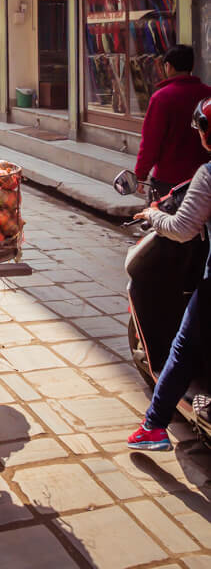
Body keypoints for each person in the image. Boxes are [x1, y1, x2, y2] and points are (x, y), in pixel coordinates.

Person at [127, 96, 211, 452]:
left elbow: (182, 228)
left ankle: (153, 427)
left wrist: (151, 216)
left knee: (183, 345)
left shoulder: (207, 175)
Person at [135, 44, 211, 197]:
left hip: (169, 180)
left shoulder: (162, 98)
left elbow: (151, 142)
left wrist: (140, 174)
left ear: (168, 66)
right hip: (205, 177)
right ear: (192, 66)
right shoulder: (207, 93)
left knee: (162, 219)